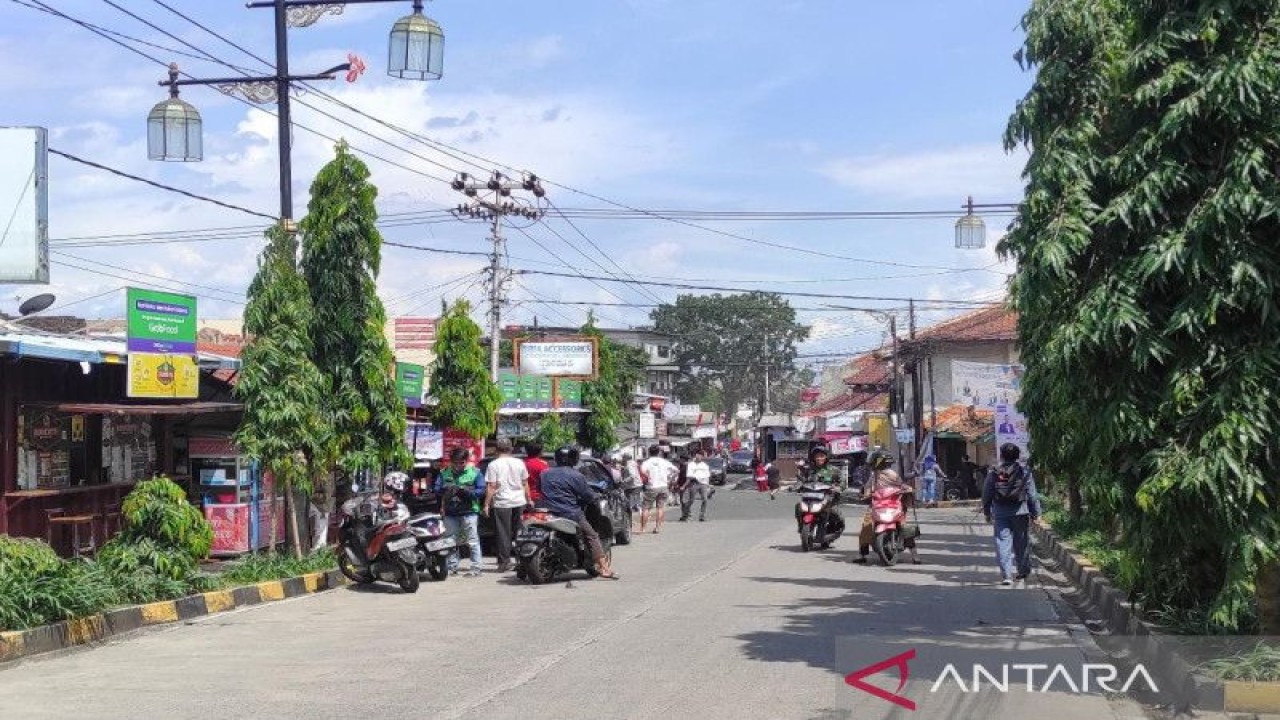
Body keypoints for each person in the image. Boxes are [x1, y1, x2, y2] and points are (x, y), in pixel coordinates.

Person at [540, 446, 619, 579]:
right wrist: (596, 496)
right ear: (574, 459)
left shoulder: (545, 474)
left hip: (547, 511)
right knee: (592, 536)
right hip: (570, 513)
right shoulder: (576, 475)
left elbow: (540, 490)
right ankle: (604, 568)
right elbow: (588, 495)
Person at [982, 443, 1042, 586]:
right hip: (1020, 511)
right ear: (1017, 456)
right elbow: (1032, 495)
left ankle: (1007, 575)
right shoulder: (1024, 471)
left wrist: (987, 512)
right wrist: (1036, 513)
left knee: (1002, 543)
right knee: (1021, 542)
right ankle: (1022, 571)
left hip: (1000, 512)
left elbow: (986, 493)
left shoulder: (994, 472)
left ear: (1001, 456)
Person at [852, 450, 921, 565]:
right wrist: (865, 495)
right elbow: (867, 488)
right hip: (877, 505)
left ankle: (914, 554)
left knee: (905, 528)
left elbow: (902, 485)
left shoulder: (892, 474)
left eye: (874, 460)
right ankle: (862, 553)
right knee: (866, 527)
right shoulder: (874, 476)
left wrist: (908, 489)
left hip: (894, 504)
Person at [433, 447, 487, 577]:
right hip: (451, 512)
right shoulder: (444, 473)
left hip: (469, 511)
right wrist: (446, 489)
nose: (458, 465)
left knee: (472, 540)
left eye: (461, 463)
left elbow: (481, 490)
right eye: (455, 462)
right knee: (450, 540)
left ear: (466, 461)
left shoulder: (475, 473)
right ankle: (452, 567)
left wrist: (466, 491)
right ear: (451, 462)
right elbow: (436, 489)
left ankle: (476, 568)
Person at [482, 439, 532, 574]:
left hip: (502, 502)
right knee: (520, 532)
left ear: (496, 449)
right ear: (511, 449)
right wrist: (529, 499)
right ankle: (523, 560)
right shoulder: (519, 463)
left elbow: (491, 486)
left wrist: (486, 504)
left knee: (503, 533)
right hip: (519, 501)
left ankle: (504, 562)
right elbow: (525, 483)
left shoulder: (494, 465)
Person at [639, 445, 676, 534]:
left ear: (649, 452)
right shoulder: (664, 462)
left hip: (651, 487)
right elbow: (676, 470)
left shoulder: (646, 462)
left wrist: (648, 477)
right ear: (659, 452)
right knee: (660, 508)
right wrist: (669, 478)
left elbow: (642, 471)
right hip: (663, 486)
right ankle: (657, 528)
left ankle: (643, 528)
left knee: (646, 508)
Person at [684, 450, 714, 521]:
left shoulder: (705, 465)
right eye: (697, 455)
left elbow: (707, 476)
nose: (698, 457)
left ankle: (702, 516)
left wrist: (708, 485)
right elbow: (689, 475)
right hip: (694, 483)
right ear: (695, 456)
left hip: (703, 484)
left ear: (702, 457)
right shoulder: (691, 464)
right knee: (691, 500)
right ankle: (687, 513)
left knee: (705, 499)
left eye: (700, 455)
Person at [620, 453, 644, 529]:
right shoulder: (633, 463)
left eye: (623, 457)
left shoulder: (629, 464)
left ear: (626, 458)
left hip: (632, 486)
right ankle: (637, 520)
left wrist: (624, 481)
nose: (622, 459)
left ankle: (630, 522)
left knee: (629, 505)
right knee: (636, 504)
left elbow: (632, 475)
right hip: (636, 485)